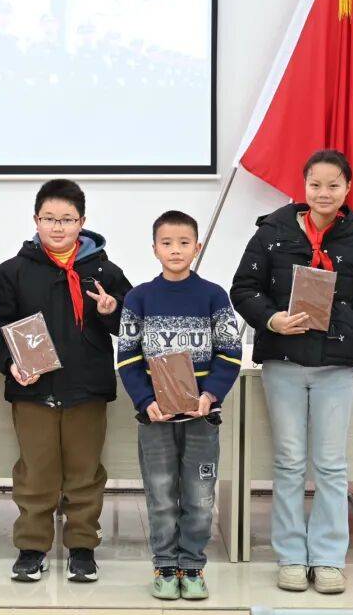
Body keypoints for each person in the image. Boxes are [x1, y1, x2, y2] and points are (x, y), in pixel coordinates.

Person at [231, 149, 353, 595]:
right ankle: (290, 556)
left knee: (331, 465)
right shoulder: (272, 233)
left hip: (334, 370)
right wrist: (271, 320)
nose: (323, 193)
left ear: (347, 188)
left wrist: (352, 347)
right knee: (288, 462)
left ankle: (328, 558)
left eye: (333, 185)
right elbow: (243, 288)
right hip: (282, 364)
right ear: (303, 187)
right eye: (315, 184)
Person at [0, 179, 131, 583]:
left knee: (85, 473)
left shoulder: (104, 272)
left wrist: (111, 309)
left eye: (67, 219)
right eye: (49, 218)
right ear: (36, 220)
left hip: (87, 390)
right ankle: (32, 547)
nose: (57, 226)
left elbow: (131, 324)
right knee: (36, 472)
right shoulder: (12, 272)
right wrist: (9, 364)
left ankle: (82, 547)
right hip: (33, 390)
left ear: (82, 222)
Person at [117, 210, 242, 601]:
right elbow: (128, 357)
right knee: (161, 495)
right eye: (167, 243)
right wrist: (145, 400)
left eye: (184, 243)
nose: (175, 250)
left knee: (200, 496)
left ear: (197, 247)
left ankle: (192, 566)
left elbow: (230, 352)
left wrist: (210, 395)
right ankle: (165, 566)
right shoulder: (138, 298)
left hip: (202, 418)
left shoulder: (214, 296)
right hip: (156, 419)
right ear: (154, 249)